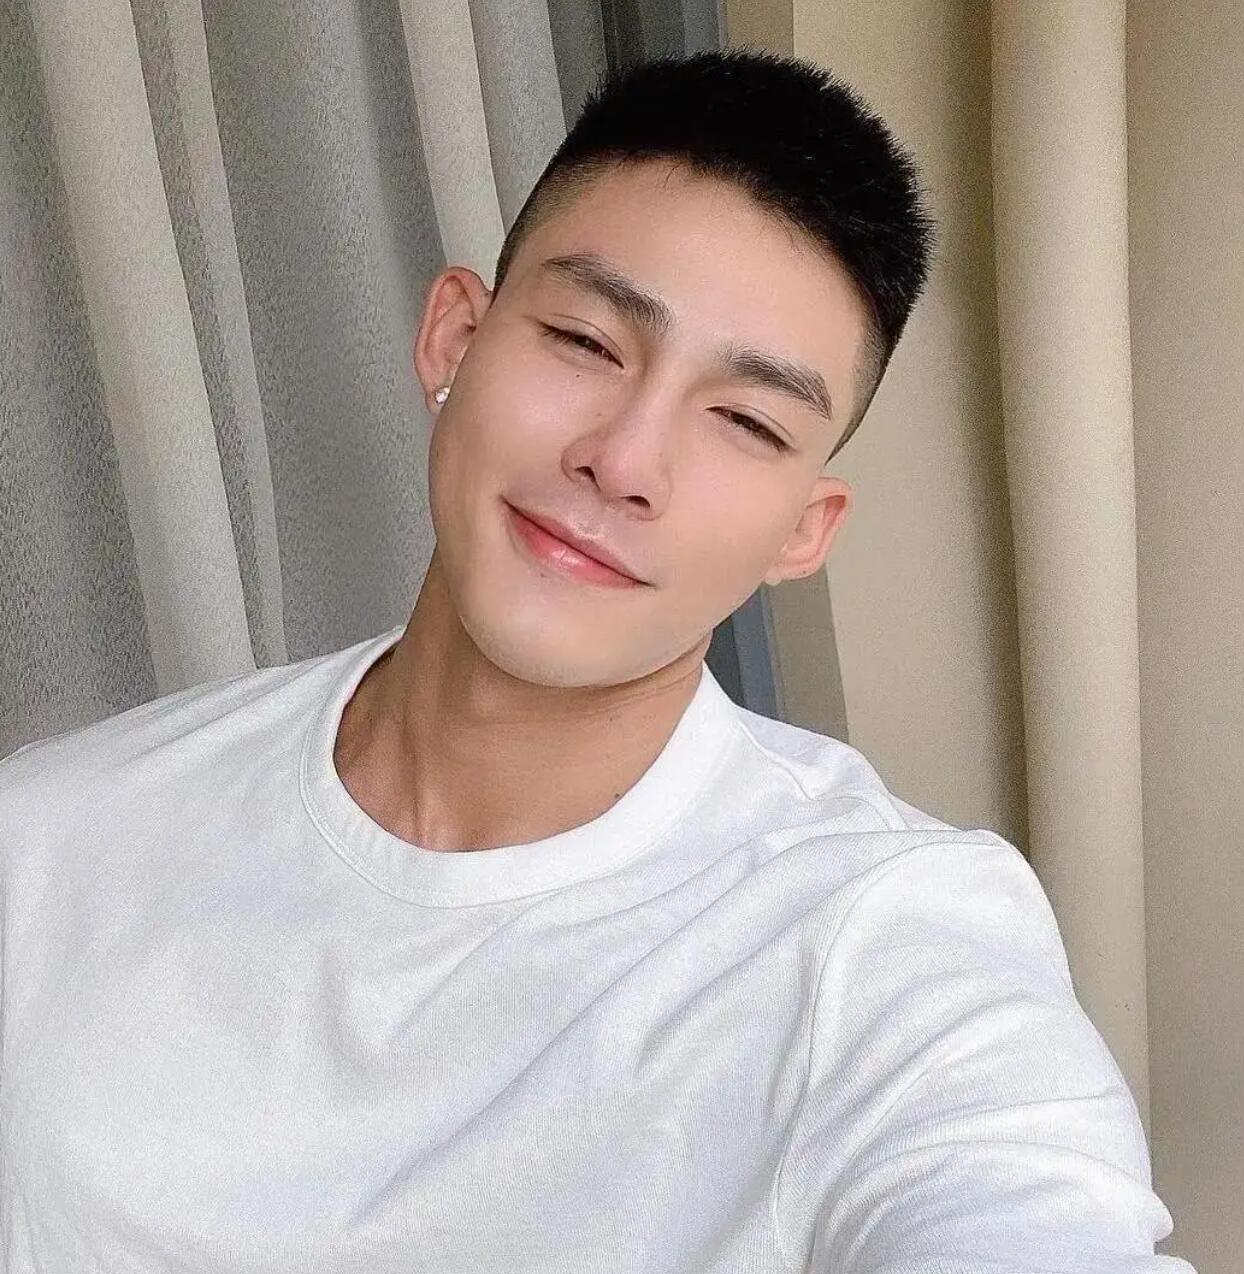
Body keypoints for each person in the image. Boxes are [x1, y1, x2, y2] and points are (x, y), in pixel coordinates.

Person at [0, 47, 1193, 1274]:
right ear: (453, 337)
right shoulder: (52, 838)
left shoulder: (877, 941)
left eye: (744, 420)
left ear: (801, 530)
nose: (622, 460)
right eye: (584, 339)